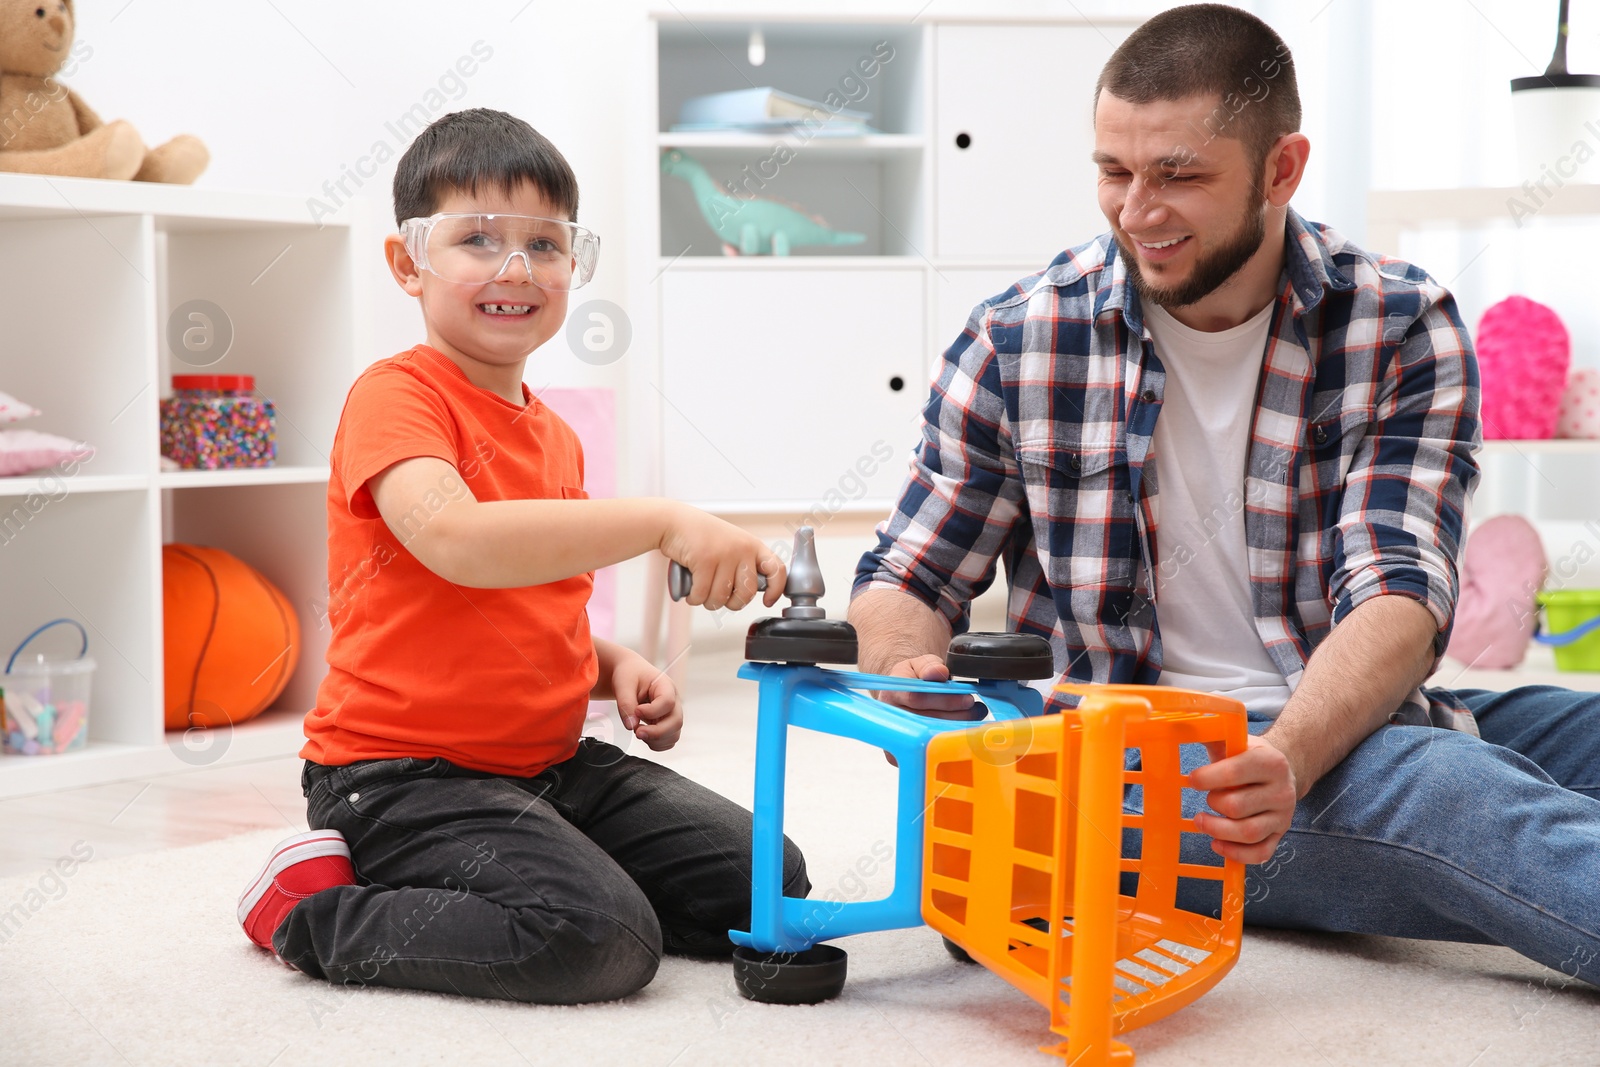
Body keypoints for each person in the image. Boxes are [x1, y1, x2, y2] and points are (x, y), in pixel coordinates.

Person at [851, 4, 1600, 984]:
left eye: (1179, 175)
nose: (1135, 211)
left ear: (1281, 169)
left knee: (1532, 738)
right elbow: (909, 568)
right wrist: (905, 658)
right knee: (1455, 793)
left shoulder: (1400, 323)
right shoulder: (1017, 338)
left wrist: (1287, 755)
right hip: (1135, 772)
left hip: (1326, 723)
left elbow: (1399, 592)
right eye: (1113, 171)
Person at [237, 108, 807, 1003]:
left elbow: (524, 603)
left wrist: (610, 665)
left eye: (546, 244)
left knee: (768, 879)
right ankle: (307, 911)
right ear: (407, 264)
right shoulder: (396, 398)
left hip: (546, 765)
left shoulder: (555, 435)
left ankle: (539, 873)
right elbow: (459, 544)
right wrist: (662, 520)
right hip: (399, 777)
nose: (516, 269)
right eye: (477, 240)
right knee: (601, 940)